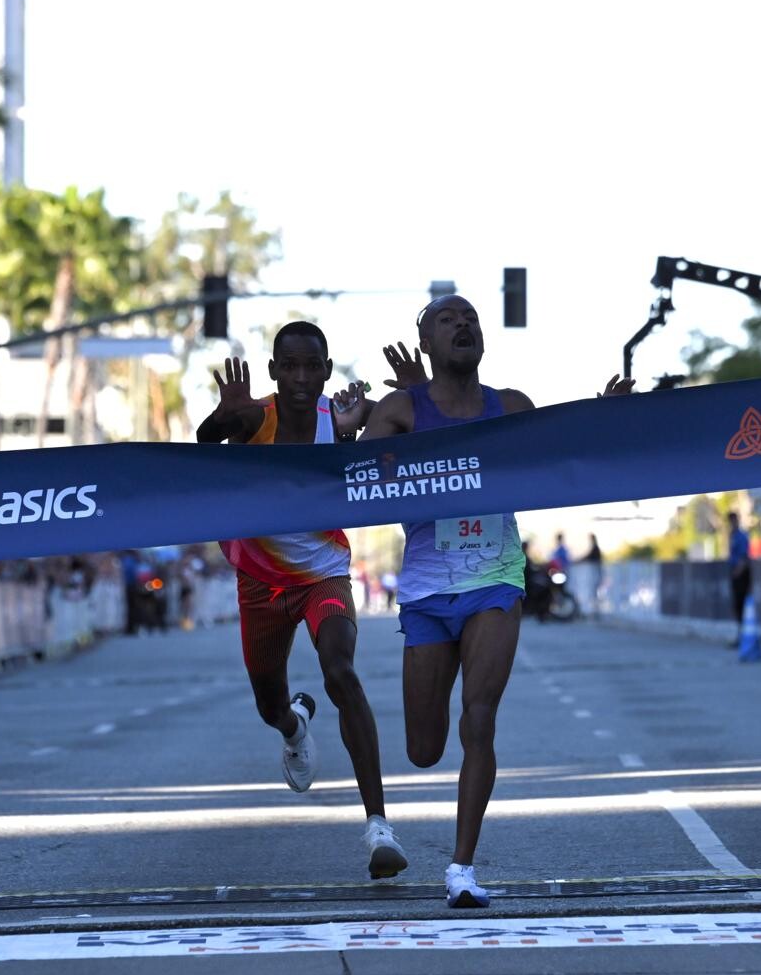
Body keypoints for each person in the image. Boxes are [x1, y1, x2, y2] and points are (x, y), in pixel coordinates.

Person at [361, 294, 632, 907]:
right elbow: (349, 476)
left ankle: (461, 868)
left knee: (479, 718)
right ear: (427, 344)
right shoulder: (402, 409)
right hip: (427, 591)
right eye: (448, 319)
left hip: (496, 578)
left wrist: (605, 416)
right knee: (424, 749)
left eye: (471, 318)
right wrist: (368, 422)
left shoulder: (510, 407)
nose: (464, 324)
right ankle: (452, 844)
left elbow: (561, 445)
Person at [197, 320, 408, 879]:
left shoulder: (336, 420)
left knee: (341, 672)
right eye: (288, 366)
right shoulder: (254, 417)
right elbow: (203, 444)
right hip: (260, 584)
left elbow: (389, 445)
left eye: (311, 366)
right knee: (269, 706)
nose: (299, 377)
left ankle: (379, 827)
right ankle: (294, 726)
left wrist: (359, 430)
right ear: (273, 371)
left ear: (326, 370)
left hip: (323, 576)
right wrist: (222, 417)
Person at [727, 511, 751, 644]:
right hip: (734, 572)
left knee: (742, 604)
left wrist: (737, 572)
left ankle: (743, 636)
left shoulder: (741, 536)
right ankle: (739, 634)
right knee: (737, 605)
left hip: (741, 574)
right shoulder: (732, 536)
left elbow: (744, 557)